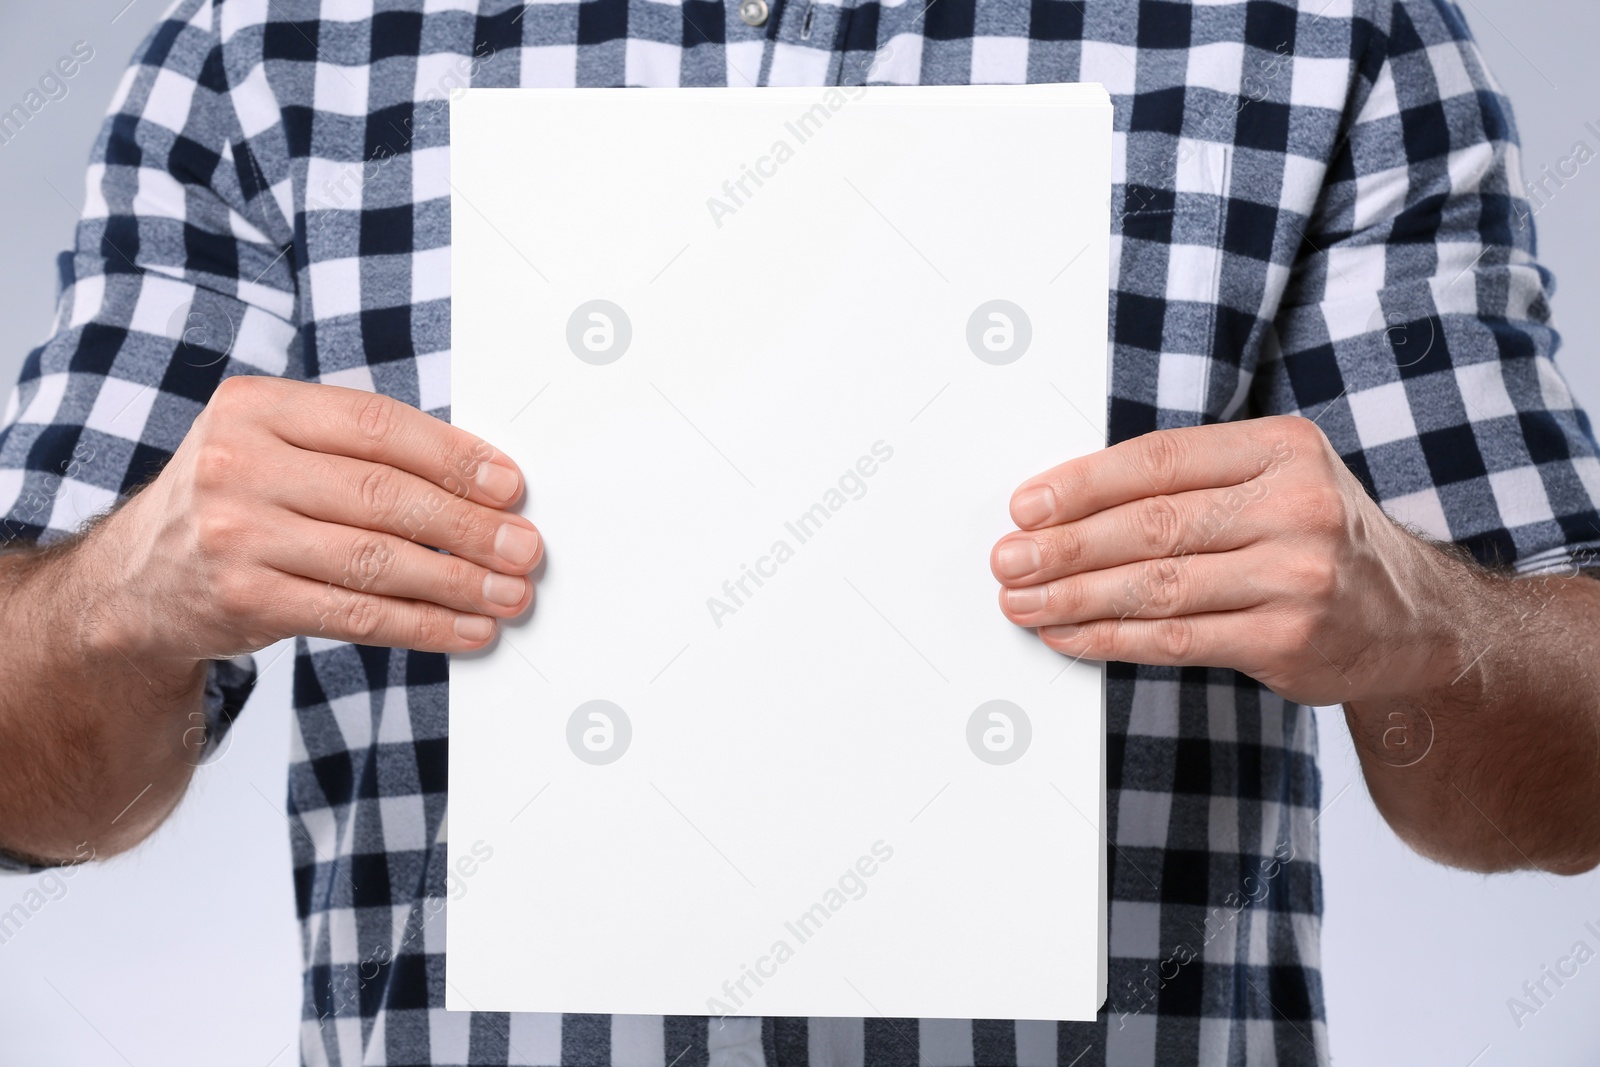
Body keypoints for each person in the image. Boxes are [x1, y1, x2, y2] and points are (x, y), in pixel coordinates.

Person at [2, 0, 1598, 1064]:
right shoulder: (270, 44)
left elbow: (1568, 773)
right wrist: (116, 600)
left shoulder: (1325, 33)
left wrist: (1432, 628)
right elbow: (28, 780)